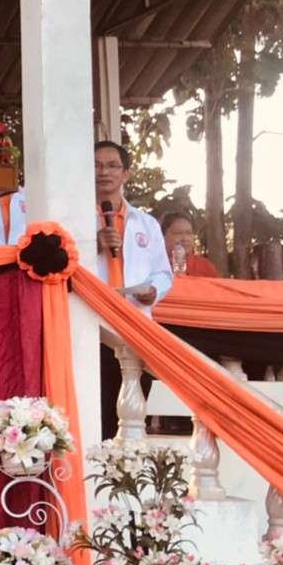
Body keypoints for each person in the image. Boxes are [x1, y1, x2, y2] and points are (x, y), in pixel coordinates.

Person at [92, 140, 173, 438]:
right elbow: (60, 263)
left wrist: (153, 290)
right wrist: (93, 244)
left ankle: (126, 464)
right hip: (93, 327)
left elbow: (163, 272)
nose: (104, 172)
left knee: (132, 415)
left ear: (126, 173)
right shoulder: (72, 217)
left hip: (135, 326)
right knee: (95, 413)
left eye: (113, 165)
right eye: (97, 165)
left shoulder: (146, 223)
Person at [161, 212, 221, 278]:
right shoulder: (154, 265)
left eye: (189, 233)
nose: (185, 239)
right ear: (162, 236)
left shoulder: (204, 266)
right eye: (178, 233)